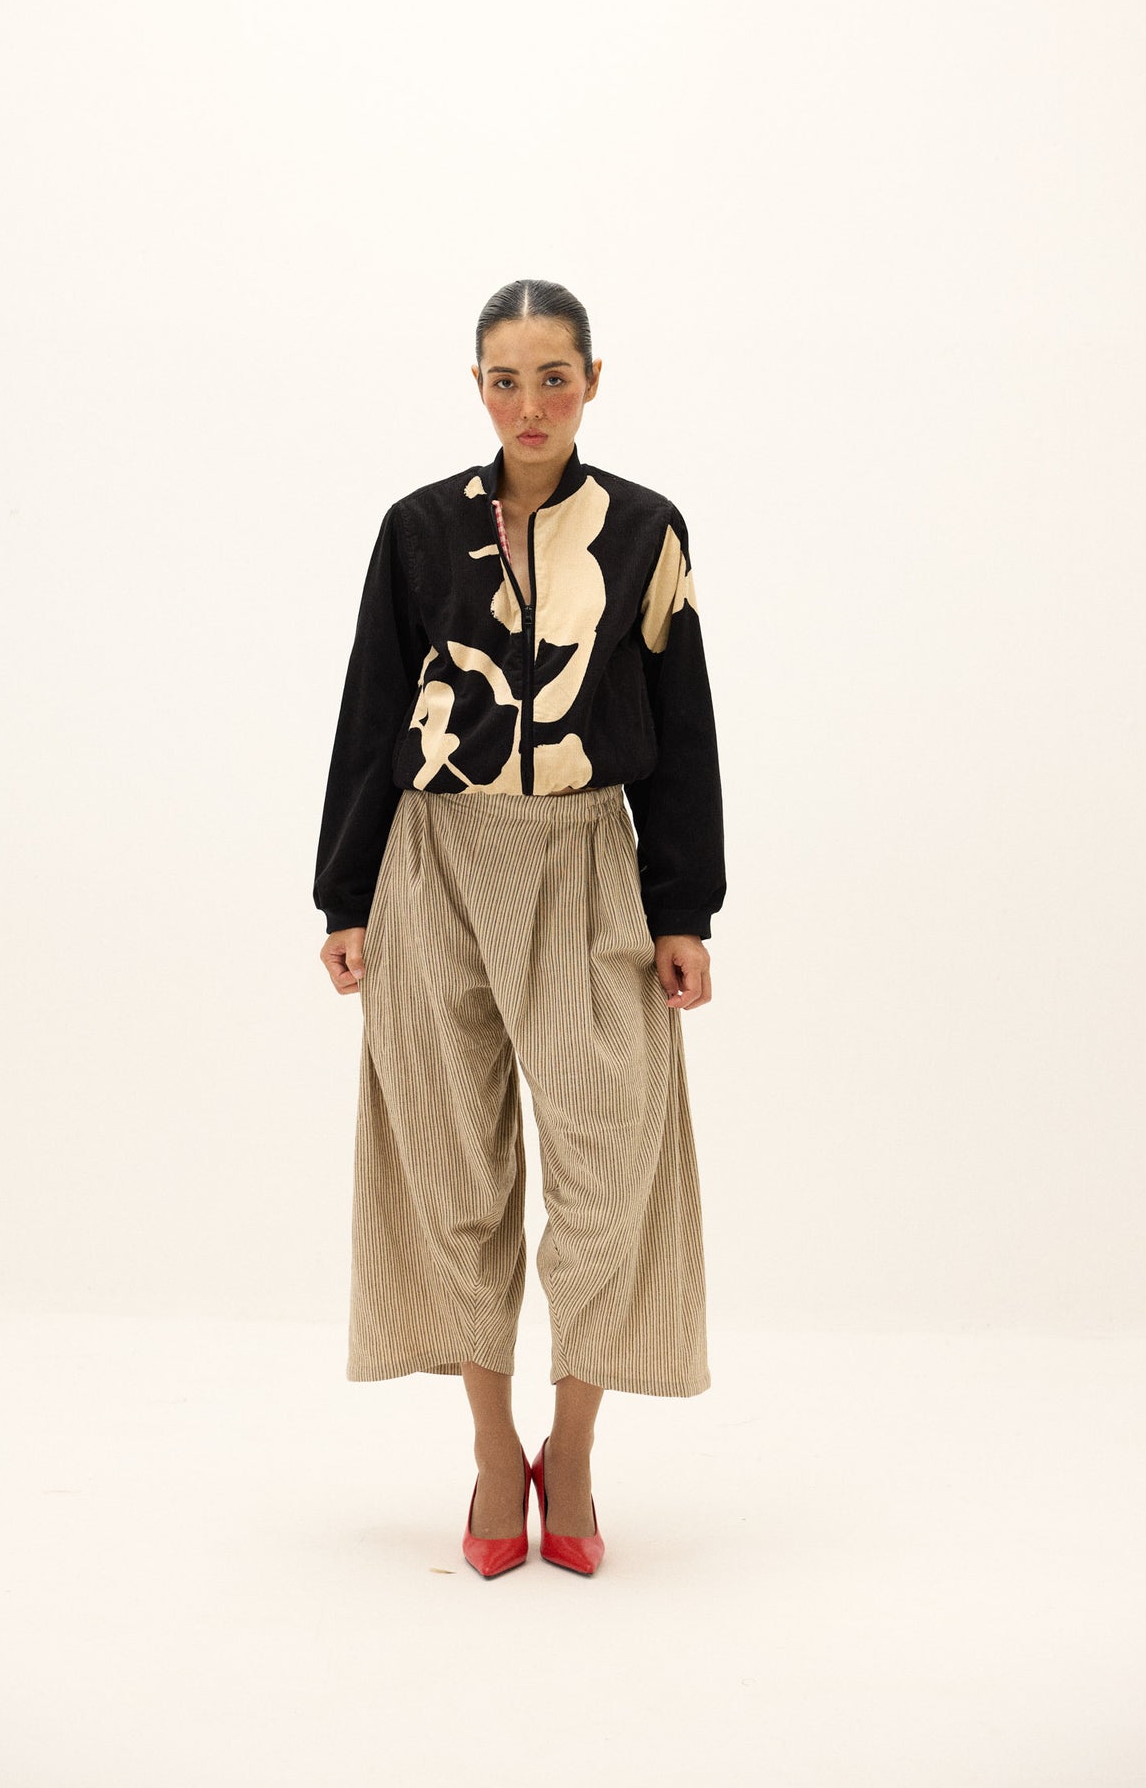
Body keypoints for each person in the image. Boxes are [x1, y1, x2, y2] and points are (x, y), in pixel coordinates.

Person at [313, 277, 726, 1576]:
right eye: (507, 379)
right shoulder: (418, 531)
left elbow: (683, 727)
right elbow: (373, 705)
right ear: (478, 388)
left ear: (593, 381)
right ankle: (496, 1452)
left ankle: (576, 1447)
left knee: (609, 1159)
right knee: (454, 1170)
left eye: (555, 377)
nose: (531, 403)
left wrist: (683, 908)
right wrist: (345, 895)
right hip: (433, 865)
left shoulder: (644, 529)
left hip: (586, 865)